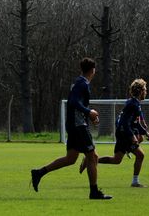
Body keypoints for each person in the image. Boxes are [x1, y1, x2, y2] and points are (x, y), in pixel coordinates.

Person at [30, 58, 112, 200]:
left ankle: (39, 173)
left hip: (75, 124)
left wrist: (90, 115)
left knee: (71, 159)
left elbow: (76, 104)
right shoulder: (83, 84)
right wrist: (89, 112)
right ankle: (94, 192)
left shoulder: (78, 82)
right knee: (93, 157)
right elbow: (73, 102)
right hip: (78, 126)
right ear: (93, 70)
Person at [91, 78, 149, 187]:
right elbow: (125, 122)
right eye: (145, 90)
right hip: (124, 133)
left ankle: (91, 160)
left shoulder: (134, 103)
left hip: (122, 132)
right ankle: (135, 182)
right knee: (141, 155)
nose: (146, 92)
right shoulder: (133, 104)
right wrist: (132, 136)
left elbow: (134, 123)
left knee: (116, 160)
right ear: (141, 91)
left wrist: (145, 132)